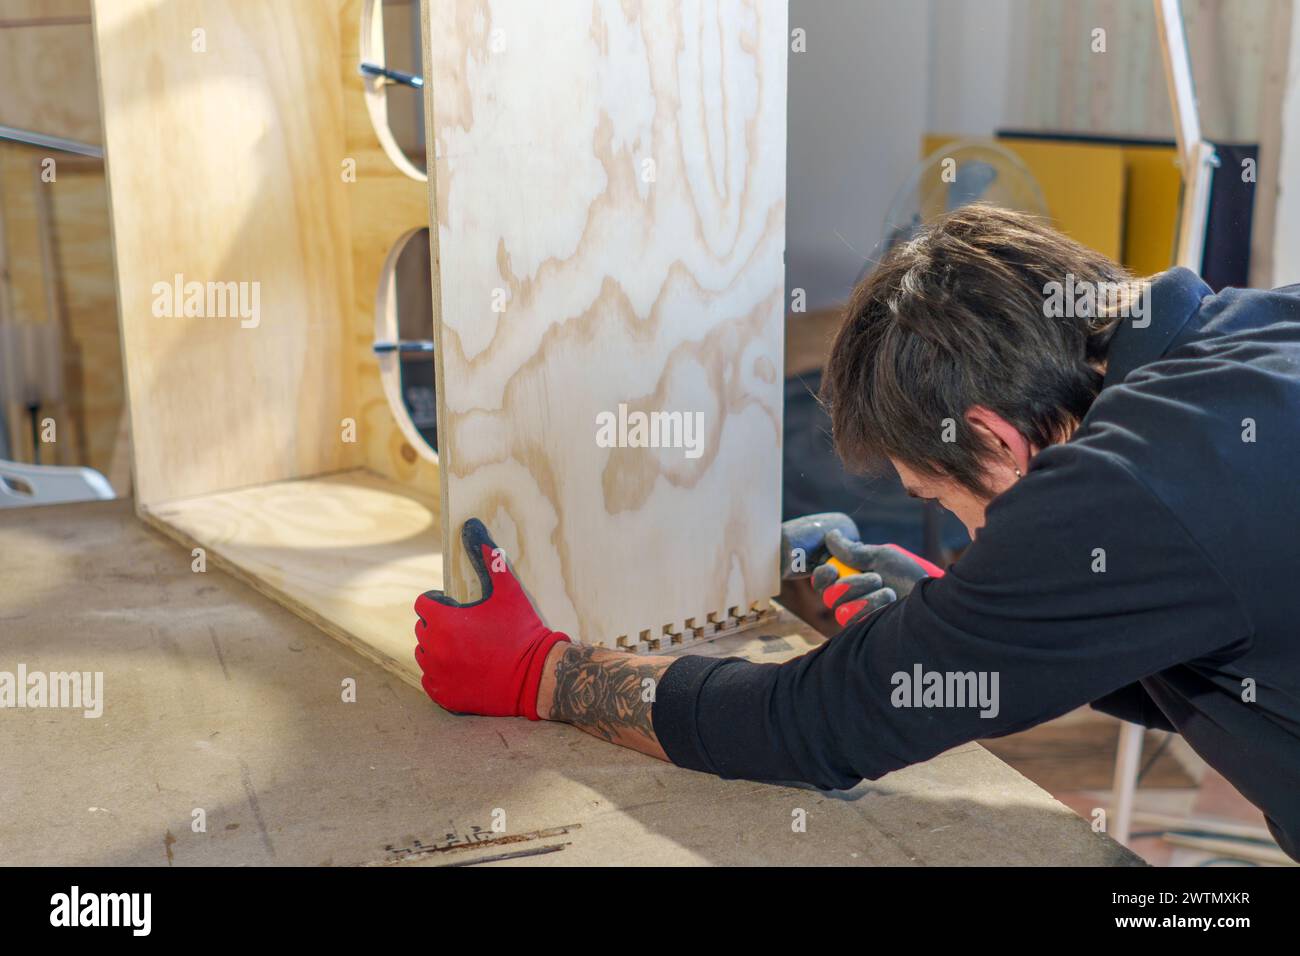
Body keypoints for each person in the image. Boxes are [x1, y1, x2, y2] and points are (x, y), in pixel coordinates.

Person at [413, 204, 1300, 859]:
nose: (964, 533)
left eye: (942, 497)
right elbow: (1231, 633)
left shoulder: (1127, 486)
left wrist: (544, 672)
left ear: (993, 437)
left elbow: (820, 723)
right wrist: (973, 617)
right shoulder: (1258, 332)